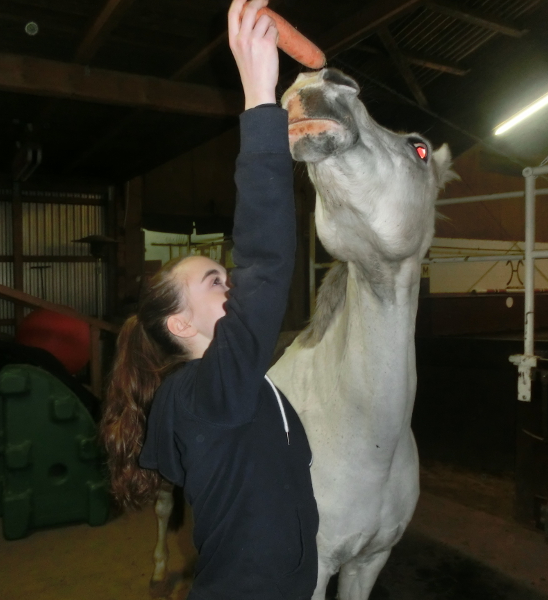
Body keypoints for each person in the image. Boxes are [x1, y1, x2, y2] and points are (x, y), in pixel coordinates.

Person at [101, 1, 319, 599]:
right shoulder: (208, 392)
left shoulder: (212, 393)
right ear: (180, 322)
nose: (234, 285)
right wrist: (260, 98)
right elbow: (266, 262)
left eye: (225, 276)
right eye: (216, 282)